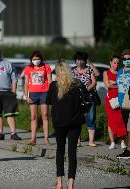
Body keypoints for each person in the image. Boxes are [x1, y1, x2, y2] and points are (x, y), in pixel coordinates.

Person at [46, 60, 85, 189]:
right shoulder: (77, 85)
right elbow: (85, 103)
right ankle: (71, 184)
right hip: (75, 122)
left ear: (57, 72)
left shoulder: (53, 86)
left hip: (59, 123)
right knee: (72, 152)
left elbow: (49, 103)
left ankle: (59, 182)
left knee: (60, 151)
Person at [23, 50, 52, 145]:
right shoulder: (28, 68)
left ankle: (46, 138)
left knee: (45, 115)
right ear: (31, 59)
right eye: (34, 59)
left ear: (41, 59)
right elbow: (26, 83)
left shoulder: (46, 66)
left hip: (44, 92)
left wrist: (51, 93)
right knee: (34, 117)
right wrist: (26, 96)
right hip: (33, 93)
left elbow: (50, 81)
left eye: (38, 58)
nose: (36, 60)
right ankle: (33, 139)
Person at [71, 51, 97, 147]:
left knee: (90, 117)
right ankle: (77, 141)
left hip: (88, 96)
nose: (80, 61)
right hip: (76, 97)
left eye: (82, 59)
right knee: (77, 118)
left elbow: (94, 82)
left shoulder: (89, 69)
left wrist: (86, 89)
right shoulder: (72, 70)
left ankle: (91, 141)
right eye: (78, 59)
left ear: (85, 60)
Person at [103, 55, 127, 149]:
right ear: (110, 62)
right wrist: (117, 84)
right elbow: (107, 85)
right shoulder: (106, 72)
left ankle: (122, 141)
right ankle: (112, 142)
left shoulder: (121, 72)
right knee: (111, 121)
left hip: (120, 99)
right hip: (110, 100)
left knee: (122, 120)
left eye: (117, 63)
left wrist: (114, 82)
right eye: (114, 63)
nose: (116, 65)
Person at [116, 49, 130, 159]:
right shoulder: (120, 71)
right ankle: (126, 149)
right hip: (122, 103)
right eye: (124, 59)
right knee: (123, 128)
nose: (126, 61)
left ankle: (128, 151)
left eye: (129, 59)